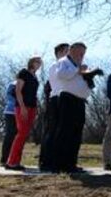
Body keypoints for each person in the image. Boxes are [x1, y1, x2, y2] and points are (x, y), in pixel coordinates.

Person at [53, 42, 94, 174]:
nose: (82, 56)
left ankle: (71, 163)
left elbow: (86, 85)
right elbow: (61, 75)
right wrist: (78, 70)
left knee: (77, 133)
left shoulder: (80, 66)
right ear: (71, 50)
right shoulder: (64, 62)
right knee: (65, 132)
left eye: (84, 54)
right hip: (67, 99)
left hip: (80, 101)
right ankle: (60, 164)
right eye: (80, 53)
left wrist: (89, 76)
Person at [5, 56, 42, 170]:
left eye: (40, 63)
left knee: (25, 134)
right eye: (37, 62)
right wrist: (22, 107)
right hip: (22, 107)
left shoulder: (35, 77)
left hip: (32, 107)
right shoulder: (24, 73)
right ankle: (11, 162)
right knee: (21, 133)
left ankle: (16, 161)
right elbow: (18, 91)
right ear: (31, 62)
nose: (39, 64)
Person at [39, 43, 69, 172]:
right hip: (56, 100)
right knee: (52, 132)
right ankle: (47, 162)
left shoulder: (67, 66)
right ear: (60, 52)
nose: (69, 54)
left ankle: (61, 161)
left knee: (63, 133)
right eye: (67, 51)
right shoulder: (56, 66)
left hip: (65, 101)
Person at [0, 81, 17, 166]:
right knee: (9, 135)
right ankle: (4, 159)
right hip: (10, 112)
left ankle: (13, 159)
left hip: (20, 113)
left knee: (16, 137)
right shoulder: (13, 84)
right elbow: (9, 97)